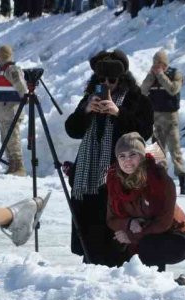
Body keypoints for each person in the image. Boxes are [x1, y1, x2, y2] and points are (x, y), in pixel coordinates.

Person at [65, 49, 153, 267]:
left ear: (122, 77)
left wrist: (118, 113)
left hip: (120, 176)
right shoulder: (90, 97)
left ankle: (116, 268)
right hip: (88, 176)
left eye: (112, 79)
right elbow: (73, 130)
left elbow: (144, 132)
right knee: (89, 228)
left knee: (113, 231)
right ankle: (89, 262)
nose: (107, 83)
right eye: (101, 78)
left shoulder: (136, 99)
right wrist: (86, 110)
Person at [106, 132, 185, 284]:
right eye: (122, 156)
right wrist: (128, 223)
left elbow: (163, 223)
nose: (127, 160)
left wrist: (132, 235)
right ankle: (169, 285)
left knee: (148, 245)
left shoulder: (159, 179)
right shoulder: (114, 181)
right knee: (112, 245)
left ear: (141, 156)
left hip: (175, 236)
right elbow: (111, 219)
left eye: (132, 154)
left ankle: (165, 285)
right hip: (140, 232)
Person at [140, 50, 185, 195]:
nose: (156, 66)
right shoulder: (152, 76)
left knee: (175, 149)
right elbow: (142, 91)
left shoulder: (175, 74)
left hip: (170, 117)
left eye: (159, 63)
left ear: (165, 63)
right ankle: (162, 180)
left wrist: (161, 75)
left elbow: (173, 89)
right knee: (157, 151)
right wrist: (151, 76)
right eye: (154, 63)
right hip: (155, 117)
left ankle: (182, 180)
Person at [0, 45, 28, 176]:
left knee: (13, 139)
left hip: (11, 111)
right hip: (3, 112)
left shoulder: (11, 69)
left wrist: (25, 97)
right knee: (5, 140)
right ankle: (11, 164)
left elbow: (20, 86)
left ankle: (19, 166)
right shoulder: (1, 71)